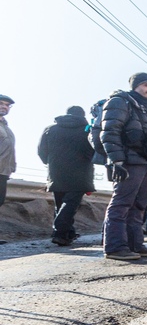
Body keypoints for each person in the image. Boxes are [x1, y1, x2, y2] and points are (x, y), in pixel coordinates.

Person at [100, 72, 147, 261]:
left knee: (139, 206)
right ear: (135, 85)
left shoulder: (143, 108)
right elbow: (109, 132)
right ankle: (115, 247)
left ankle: (135, 244)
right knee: (121, 204)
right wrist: (116, 161)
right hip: (129, 162)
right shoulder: (120, 102)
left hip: (144, 163)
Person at [36, 105, 95, 245]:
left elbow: (41, 151)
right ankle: (60, 234)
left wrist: (50, 163)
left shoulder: (50, 129)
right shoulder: (87, 130)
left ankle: (68, 232)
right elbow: (92, 151)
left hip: (56, 172)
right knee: (70, 204)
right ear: (82, 115)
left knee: (61, 204)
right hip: (80, 172)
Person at [0, 94, 15, 210]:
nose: (5, 107)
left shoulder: (7, 128)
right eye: (1, 103)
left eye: (7, 105)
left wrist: (12, 166)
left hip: (3, 171)